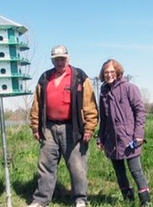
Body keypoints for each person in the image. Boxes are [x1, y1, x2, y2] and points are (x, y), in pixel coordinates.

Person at [28, 45, 99, 207]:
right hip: (49, 129)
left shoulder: (79, 76)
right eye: (56, 59)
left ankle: (80, 199)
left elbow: (90, 105)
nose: (59, 62)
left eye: (62, 58)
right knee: (45, 166)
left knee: (77, 167)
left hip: (73, 129)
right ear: (52, 60)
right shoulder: (45, 77)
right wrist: (36, 126)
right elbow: (37, 105)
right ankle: (40, 199)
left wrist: (89, 128)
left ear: (68, 58)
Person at [97, 59, 151, 206]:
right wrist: (101, 139)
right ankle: (129, 201)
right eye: (106, 72)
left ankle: (146, 202)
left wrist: (139, 135)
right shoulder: (103, 92)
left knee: (136, 171)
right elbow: (104, 118)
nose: (109, 75)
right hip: (111, 140)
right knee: (120, 174)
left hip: (129, 139)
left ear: (118, 72)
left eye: (112, 72)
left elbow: (140, 112)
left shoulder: (129, 88)